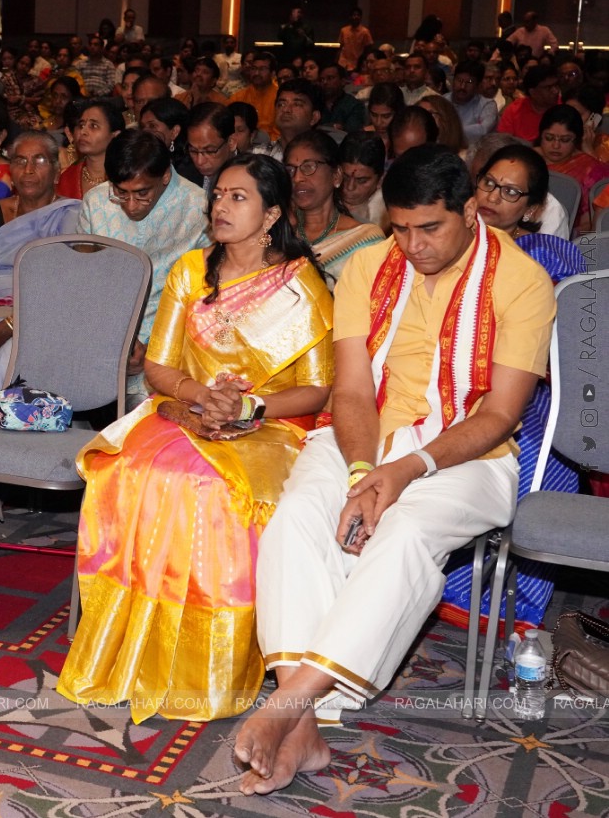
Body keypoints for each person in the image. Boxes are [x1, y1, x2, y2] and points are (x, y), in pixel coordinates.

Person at [236, 145, 554, 796]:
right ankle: (305, 736)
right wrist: (362, 470)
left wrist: (404, 470)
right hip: (362, 435)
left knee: (404, 533)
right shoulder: (366, 269)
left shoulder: (520, 281)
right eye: (400, 228)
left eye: (429, 227)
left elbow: (498, 415)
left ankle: (288, 703)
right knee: (295, 516)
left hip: (465, 455)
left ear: (469, 209)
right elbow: (350, 391)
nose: (412, 244)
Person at [59, 152, 333, 723]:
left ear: (272, 213)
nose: (221, 206)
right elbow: (157, 368)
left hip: (271, 428)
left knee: (208, 490)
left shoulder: (300, 287)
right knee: (129, 470)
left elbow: (317, 391)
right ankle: (128, 650)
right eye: (219, 195)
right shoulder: (190, 270)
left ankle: (202, 666)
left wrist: (250, 408)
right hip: (185, 409)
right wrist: (197, 395)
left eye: (239, 197)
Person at [437, 143, 584, 631]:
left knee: (543, 440)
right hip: (447, 375)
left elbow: (572, 343)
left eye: (512, 191)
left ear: (535, 207)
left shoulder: (552, 254)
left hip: (526, 383)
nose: (495, 197)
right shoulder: (450, 241)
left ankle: (503, 602)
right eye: (488, 184)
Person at [75, 129, 210, 403]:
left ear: (165, 177)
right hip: (104, 335)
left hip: (172, 339)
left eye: (142, 193)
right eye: (121, 193)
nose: (131, 205)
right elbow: (83, 281)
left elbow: (204, 296)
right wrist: (110, 338)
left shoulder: (197, 207)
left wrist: (154, 348)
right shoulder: (97, 202)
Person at [0, 131, 81, 393]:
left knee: (7, 357)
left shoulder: (71, 215)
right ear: (11, 170)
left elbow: (69, 286)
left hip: (46, 315)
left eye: (39, 160)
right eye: (20, 160)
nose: (28, 169)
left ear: (56, 172)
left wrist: (9, 326)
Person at [284, 131, 385, 280]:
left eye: (309, 167)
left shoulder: (366, 240)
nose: (297, 178)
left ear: (336, 175)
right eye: (290, 170)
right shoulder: (278, 231)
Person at [537, 104, 609, 232]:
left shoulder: (591, 170)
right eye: (549, 138)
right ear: (540, 136)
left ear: (577, 140)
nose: (556, 145)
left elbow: (589, 226)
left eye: (565, 140)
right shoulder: (525, 160)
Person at [58, 98, 124, 199]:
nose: (83, 131)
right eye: (81, 125)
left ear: (115, 135)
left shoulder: (129, 175)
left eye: (93, 126)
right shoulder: (67, 178)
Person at [336, 131, 388, 232]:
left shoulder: (392, 213)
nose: (350, 187)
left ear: (380, 180)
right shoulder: (322, 195)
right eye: (345, 177)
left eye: (362, 181)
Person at [497, 64, 561, 143]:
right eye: (548, 87)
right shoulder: (514, 110)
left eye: (556, 85)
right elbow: (503, 143)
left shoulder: (564, 108)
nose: (556, 91)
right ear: (532, 92)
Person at [446, 60, 498, 147]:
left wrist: (449, 133)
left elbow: (483, 131)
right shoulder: (442, 101)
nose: (462, 86)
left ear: (478, 85)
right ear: (453, 80)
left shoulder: (487, 105)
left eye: (469, 82)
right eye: (459, 80)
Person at [337, 9, 373, 73]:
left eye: (358, 15)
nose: (356, 17)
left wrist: (363, 62)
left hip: (356, 64)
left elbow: (368, 48)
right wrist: (336, 60)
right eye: (354, 15)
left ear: (361, 17)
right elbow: (340, 46)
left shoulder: (365, 32)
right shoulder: (344, 30)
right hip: (342, 62)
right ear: (350, 17)